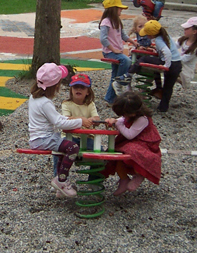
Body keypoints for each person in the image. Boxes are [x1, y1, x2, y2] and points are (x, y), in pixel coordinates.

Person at [29, 63, 92, 198]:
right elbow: (59, 123)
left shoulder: (34, 98)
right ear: (55, 85)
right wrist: (80, 121)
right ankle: (61, 180)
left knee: (62, 148)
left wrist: (70, 118)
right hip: (44, 139)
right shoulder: (45, 103)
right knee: (73, 147)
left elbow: (55, 117)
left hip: (38, 138)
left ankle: (60, 186)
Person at [103, 91, 161, 195]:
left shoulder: (142, 119)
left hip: (145, 143)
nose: (124, 116)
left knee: (132, 151)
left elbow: (129, 134)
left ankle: (139, 174)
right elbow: (121, 120)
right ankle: (123, 179)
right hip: (130, 142)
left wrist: (117, 124)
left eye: (125, 114)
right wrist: (114, 121)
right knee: (115, 153)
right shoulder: (129, 115)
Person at [53, 73, 100, 180]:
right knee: (58, 151)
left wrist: (93, 119)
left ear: (88, 91)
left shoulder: (90, 104)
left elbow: (97, 119)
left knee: (100, 153)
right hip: (70, 136)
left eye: (82, 87)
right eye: (75, 87)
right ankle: (58, 178)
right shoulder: (67, 104)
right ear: (71, 90)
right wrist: (81, 120)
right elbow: (65, 118)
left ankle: (94, 180)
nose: (78, 89)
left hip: (87, 137)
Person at [128, 20, 182, 112]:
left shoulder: (158, 40)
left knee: (144, 59)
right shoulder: (165, 36)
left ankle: (130, 72)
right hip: (177, 64)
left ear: (151, 34)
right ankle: (163, 108)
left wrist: (166, 65)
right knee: (168, 87)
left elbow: (167, 52)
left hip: (170, 62)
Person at [99, 0, 137, 105]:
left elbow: (123, 35)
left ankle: (110, 98)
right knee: (127, 61)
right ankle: (119, 82)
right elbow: (103, 39)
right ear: (113, 9)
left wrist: (133, 42)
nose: (121, 10)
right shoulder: (106, 22)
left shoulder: (117, 21)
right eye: (120, 8)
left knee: (114, 75)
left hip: (116, 52)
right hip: (109, 52)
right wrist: (113, 49)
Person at [176, 17, 197, 90]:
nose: (184, 30)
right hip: (180, 64)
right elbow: (174, 46)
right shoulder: (184, 39)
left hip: (186, 70)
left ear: (194, 31)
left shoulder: (196, 47)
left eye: (187, 29)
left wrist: (171, 57)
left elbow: (184, 59)